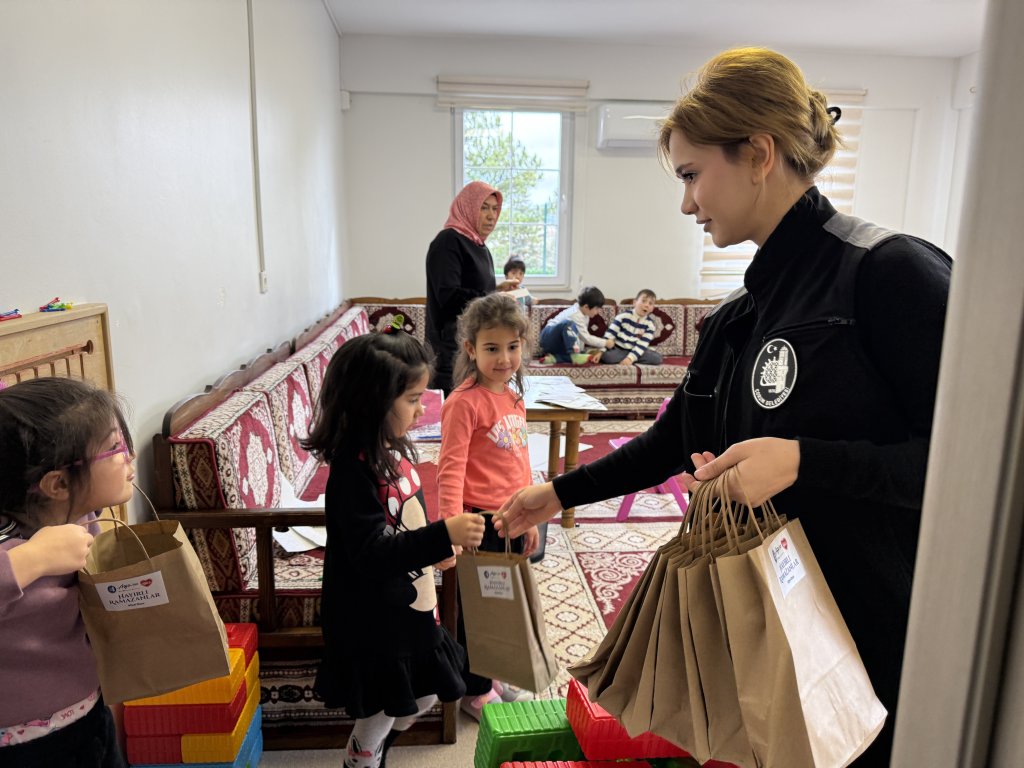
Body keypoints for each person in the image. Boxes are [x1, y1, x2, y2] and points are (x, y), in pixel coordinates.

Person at [496, 46, 952, 767]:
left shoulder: (890, 274)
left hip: (877, 637)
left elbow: (973, 472)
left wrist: (804, 462)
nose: (686, 203)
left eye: (691, 175)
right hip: (775, 628)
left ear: (759, 153)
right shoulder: (741, 312)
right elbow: (676, 436)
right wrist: (553, 494)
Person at [302, 331, 486, 768]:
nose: (422, 408)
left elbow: (408, 514)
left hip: (410, 606)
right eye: (412, 398)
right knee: (382, 710)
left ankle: (375, 748)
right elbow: (370, 553)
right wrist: (443, 535)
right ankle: (362, 758)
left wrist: (435, 550)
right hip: (372, 619)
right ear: (372, 402)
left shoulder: (393, 449)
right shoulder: (352, 470)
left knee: (422, 694)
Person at [0, 377, 134, 768]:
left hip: (86, 715)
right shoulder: (14, 539)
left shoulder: (82, 515)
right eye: (114, 448)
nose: (129, 457)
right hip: (20, 745)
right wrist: (33, 560)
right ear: (57, 483)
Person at [436, 293, 540, 720]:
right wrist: (448, 532)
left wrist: (530, 513)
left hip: (511, 516)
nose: (504, 358)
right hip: (478, 522)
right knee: (476, 609)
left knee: (502, 605)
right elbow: (449, 470)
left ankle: (493, 672)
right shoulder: (463, 402)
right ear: (470, 349)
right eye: (492, 348)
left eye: (512, 347)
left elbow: (521, 460)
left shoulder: (514, 397)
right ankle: (475, 690)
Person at [425, 181, 519, 396]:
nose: (491, 215)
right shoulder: (448, 241)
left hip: (473, 346)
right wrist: (493, 297)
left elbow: (472, 288)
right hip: (451, 351)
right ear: (468, 207)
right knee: (454, 417)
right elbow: (448, 297)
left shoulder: (478, 245)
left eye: (495, 209)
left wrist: (497, 289)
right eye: (484, 207)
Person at [538, 285, 613, 364]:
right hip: (548, 337)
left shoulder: (584, 313)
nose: (598, 312)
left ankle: (555, 358)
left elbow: (579, 335)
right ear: (586, 307)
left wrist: (581, 350)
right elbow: (586, 338)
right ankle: (575, 355)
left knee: (571, 330)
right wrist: (606, 342)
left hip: (559, 344)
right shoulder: (575, 315)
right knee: (568, 324)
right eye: (597, 308)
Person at [601, 288, 663, 365]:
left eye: (650, 303)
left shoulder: (650, 325)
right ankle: (631, 358)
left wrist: (630, 358)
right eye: (643, 301)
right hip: (619, 349)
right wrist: (602, 350)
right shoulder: (622, 317)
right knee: (607, 357)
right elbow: (609, 335)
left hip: (637, 348)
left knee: (657, 358)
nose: (646, 305)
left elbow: (642, 344)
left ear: (652, 309)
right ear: (635, 302)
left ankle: (632, 358)